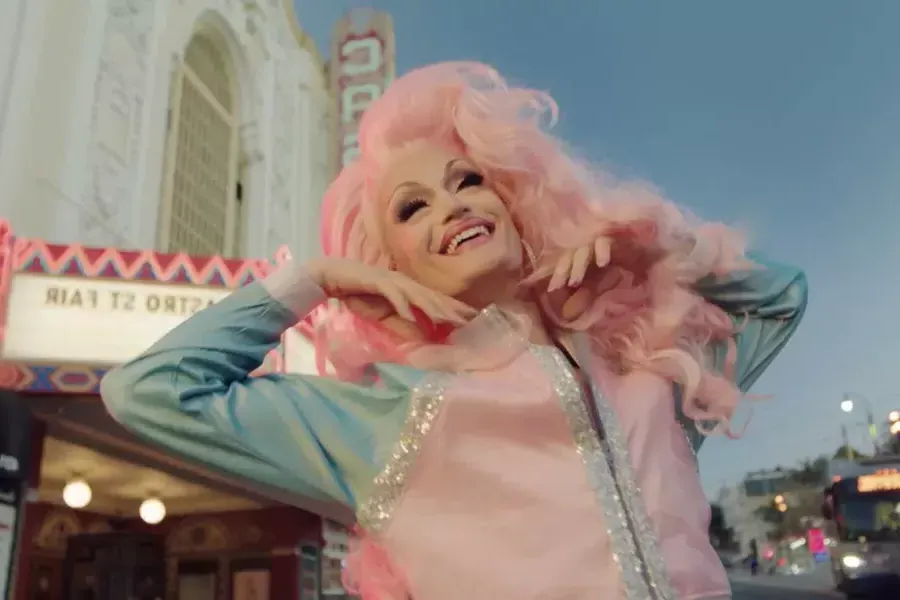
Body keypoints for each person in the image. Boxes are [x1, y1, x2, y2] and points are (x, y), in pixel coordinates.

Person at [100, 62, 808, 600]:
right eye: (412, 209)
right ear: (390, 261)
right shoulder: (383, 416)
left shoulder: (642, 363)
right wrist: (311, 281)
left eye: (467, 180)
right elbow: (149, 392)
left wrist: (657, 248)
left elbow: (780, 298)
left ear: (514, 202)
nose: (452, 206)